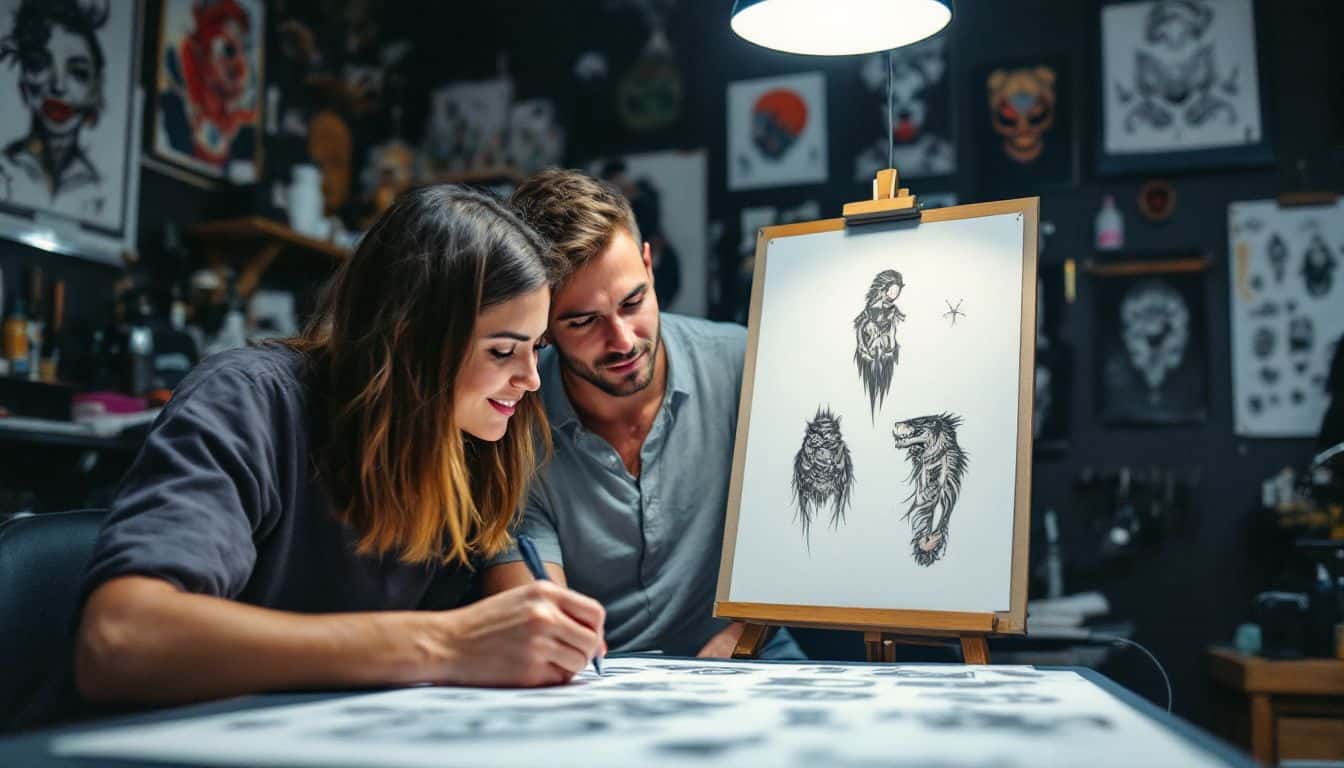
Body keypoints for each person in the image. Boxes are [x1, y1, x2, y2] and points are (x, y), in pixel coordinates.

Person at [19, 186, 606, 729]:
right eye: (503, 350)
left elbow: (508, 609)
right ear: (407, 340)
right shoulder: (251, 402)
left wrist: (540, 636)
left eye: (535, 349)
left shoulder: (472, 441)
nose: (530, 380)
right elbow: (120, 640)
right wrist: (444, 644)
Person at [483, 169, 803, 659]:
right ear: (539, 321)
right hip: (598, 675)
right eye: (584, 321)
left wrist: (737, 643)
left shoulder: (744, 365)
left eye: (633, 301)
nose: (623, 340)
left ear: (650, 265)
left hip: (750, 651)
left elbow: (805, 530)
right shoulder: (510, 418)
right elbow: (537, 620)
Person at [0, 0, 107, 199]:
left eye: (78, 73)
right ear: (24, 77)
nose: (58, 86)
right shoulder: (6, 168)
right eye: (39, 64)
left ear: (96, 88)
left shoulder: (96, 187)